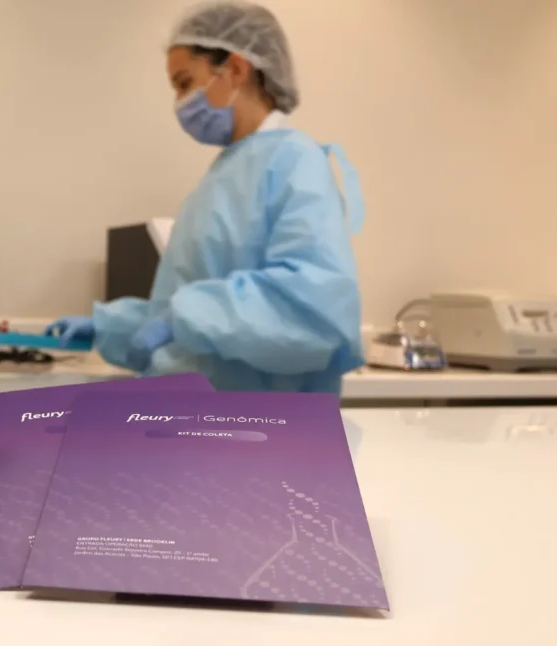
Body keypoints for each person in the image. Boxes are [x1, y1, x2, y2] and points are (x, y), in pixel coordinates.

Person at [47, 1, 365, 394]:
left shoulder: (294, 162)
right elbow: (179, 310)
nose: (179, 103)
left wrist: (185, 317)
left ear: (236, 68)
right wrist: (110, 327)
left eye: (185, 83)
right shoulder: (224, 174)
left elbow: (315, 314)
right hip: (199, 412)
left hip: (259, 421)